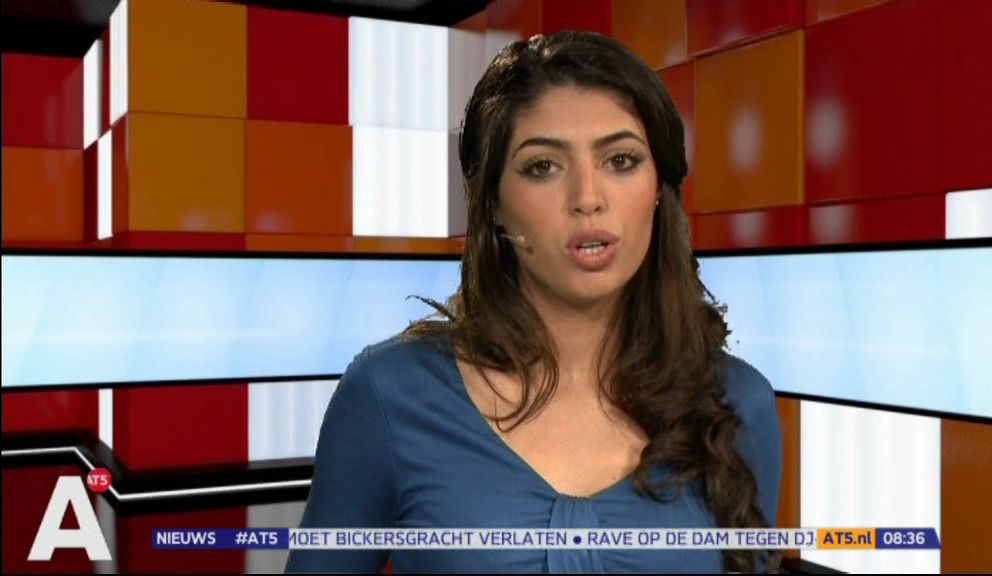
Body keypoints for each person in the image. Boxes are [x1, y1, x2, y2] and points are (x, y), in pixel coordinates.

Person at [286, 30, 783, 574]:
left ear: (659, 191)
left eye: (621, 160)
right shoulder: (389, 393)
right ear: (493, 205)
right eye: (543, 166)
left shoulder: (738, 403)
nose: (588, 198)